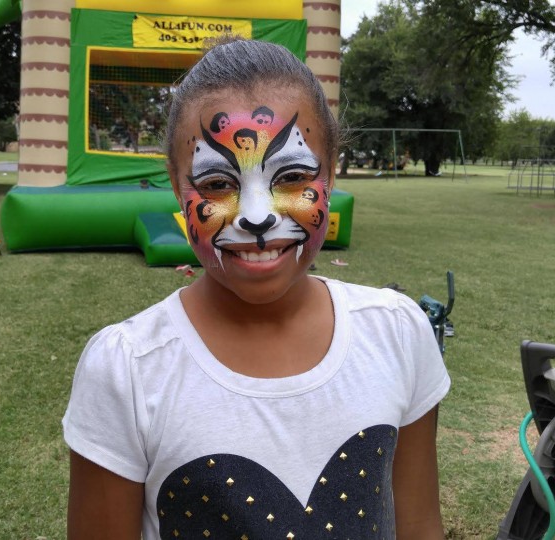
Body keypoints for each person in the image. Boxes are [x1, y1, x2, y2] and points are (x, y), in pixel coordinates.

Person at [63, 38, 450, 539]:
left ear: (331, 173)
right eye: (218, 184)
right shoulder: (127, 371)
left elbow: (420, 526)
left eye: (290, 176)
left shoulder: (397, 333)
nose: (256, 216)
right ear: (177, 186)